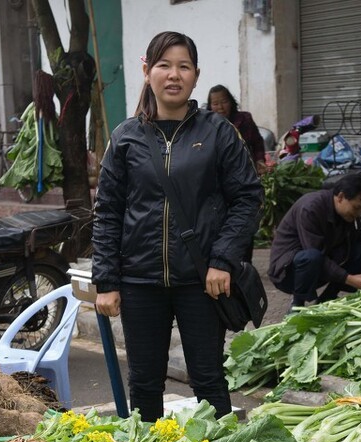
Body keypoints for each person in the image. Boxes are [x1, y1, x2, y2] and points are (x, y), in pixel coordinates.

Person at [92, 31, 262, 421]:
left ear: (196, 75)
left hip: (201, 281)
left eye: (183, 66)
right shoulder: (126, 137)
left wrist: (222, 260)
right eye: (164, 65)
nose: (174, 75)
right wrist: (107, 281)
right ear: (147, 70)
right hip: (139, 282)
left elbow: (248, 199)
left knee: (207, 379)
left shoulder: (217, 132)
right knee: (145, 383)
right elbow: (108, 212)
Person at [268, 174, 361, 308]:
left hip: (318, 266)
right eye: (357, 208)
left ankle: (327, 299)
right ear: (340, 197)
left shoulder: (347, 214)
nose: (359, 213)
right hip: (288, 272)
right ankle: (297, 304)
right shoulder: (310, 208)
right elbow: (315, 253)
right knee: (312, 257)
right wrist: (350, 279)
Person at [207, 84, 267, 172]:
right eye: (215, 104)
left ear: (231, 102)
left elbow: (257, 143)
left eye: (224, 102)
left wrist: (260, 161)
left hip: (246, 171)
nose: (220, 107)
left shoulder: (245, 119)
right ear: (210, 107)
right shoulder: (206, 126)